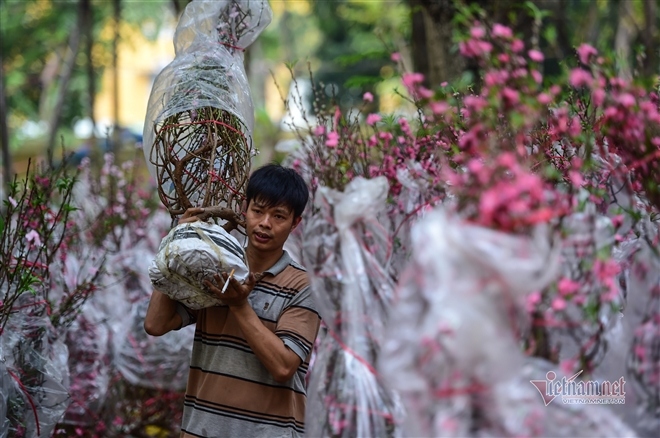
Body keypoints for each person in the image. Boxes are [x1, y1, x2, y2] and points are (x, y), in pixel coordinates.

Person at [144, 163, 320, 438]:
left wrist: (239, 305)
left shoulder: (302, 286)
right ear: (244, 209)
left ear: (295, 222)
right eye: (258, 211)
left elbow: (284, 366)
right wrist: (177, 246)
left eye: (278, 216)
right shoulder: (215, 269)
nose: (265, 223)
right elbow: (156, 324)